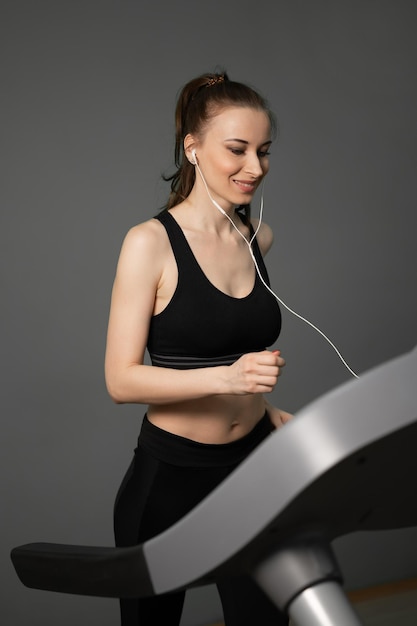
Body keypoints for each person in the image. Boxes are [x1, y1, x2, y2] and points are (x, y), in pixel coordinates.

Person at [105, 70, 292, 626]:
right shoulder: (149, 243)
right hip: (170, 480)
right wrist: (227, 380)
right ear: (193, 147)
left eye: (263, 151)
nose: (254, 167)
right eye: (237, 150)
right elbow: (120, 380)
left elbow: (235, 341)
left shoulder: (259, 238)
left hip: (256, 465)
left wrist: (266, 410)